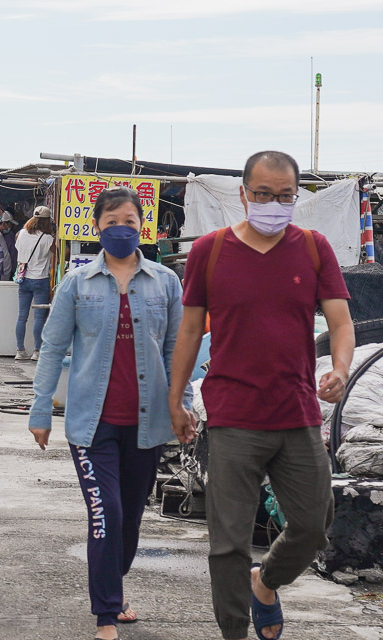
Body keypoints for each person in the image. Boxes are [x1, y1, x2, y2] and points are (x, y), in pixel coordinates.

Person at [168, 151, 354, 640]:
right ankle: (234, 631)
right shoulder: (211, 250)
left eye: (286, 196)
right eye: (265, 194)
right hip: (233, 415)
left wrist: (339, 367)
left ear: (297, 197)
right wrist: (176, 398)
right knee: (227, 543)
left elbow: (340, 321)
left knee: (313, 525)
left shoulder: (313, 248)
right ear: (244, 194)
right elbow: (189, 332)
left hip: (296, 412)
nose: (275, 204)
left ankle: (266, 580)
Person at [29, 187, 189, 640]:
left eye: (131, 221)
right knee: (107, 514)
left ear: (146, 229)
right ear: (97, 226)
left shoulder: (165, 282)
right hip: (90, 424)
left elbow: (177, 351)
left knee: (131, 520)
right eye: (112, 221)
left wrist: (184, 404)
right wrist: (40, 409)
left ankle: (112, 591)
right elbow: (53, 347)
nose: (122, 229)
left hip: (147, 423)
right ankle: (105, 615)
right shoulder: (76, 284)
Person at [13, 206, 55, 361]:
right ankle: (37, 351)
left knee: (22, 316)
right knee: (38, 317)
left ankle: (20, 350)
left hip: (23, 279)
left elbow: (18, 248)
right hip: (40, 280)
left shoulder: (21, 234)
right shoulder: (48, 238)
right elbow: (58, 253)